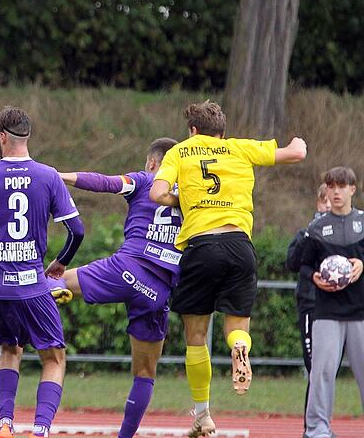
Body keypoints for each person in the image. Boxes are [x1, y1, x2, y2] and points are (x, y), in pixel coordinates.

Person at [149, 100, 306, 437]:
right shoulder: (240, 148)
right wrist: (298, 141)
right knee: (236, 326)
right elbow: (295, 154)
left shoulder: (180, 151)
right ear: (222, 132)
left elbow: (157, 192)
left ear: (192, 131)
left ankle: (203, 415)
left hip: (201, 246)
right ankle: (239, 348)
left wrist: (184, 198)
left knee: (195, 338)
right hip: (239, 246)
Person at [0, 106, 84, 438]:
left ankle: (4, 424)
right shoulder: (48, 175)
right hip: (32, 285)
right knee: (54, 359)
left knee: (9, 350)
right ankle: (40, 429)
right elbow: (77, 231)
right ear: (26, 136)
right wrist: (60, 263)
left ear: (1, 137)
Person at [49, 137, 181, 438]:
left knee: (52, 281)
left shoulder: (146, 179)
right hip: (158, 291)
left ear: (152, 162)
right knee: (146, 373)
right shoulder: (192, 196)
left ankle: (22, 329)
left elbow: (105, 182)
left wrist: (61, 176)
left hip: (127, 270)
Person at [299, 167, 364, 438]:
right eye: (331, 187)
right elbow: (300, 264)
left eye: (341, 186)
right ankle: (317, 430)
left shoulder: (363, 223)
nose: (336, 192)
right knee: (322, 374)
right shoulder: (315, 228)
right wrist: (314, 275)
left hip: (361, 312)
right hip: (326, 313)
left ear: (352, 189)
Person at [286, 182, 331, 432]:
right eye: (323, 201)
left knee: (328, 373)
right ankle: (312, 430)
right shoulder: (306, 233)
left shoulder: (346, 237)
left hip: (339, 310)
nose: (328, 206)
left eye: (331, 201)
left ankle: (322, 425)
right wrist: (310, 232)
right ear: (318, 203)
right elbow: (291, 262)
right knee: (315, 370)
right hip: (311, 307)